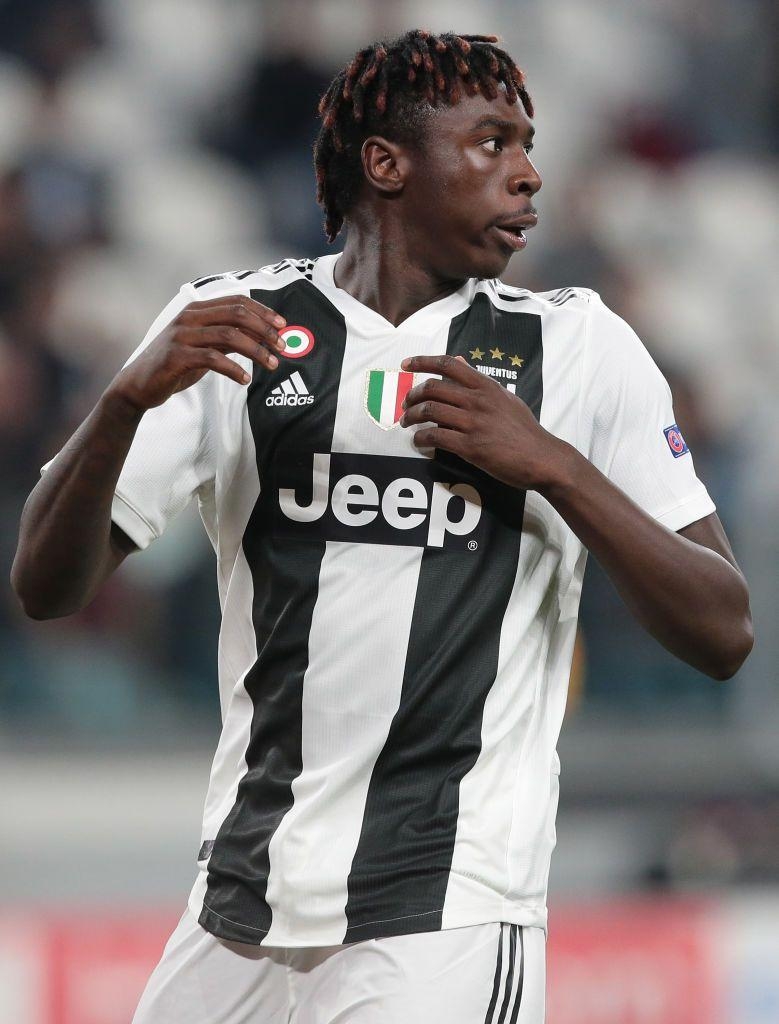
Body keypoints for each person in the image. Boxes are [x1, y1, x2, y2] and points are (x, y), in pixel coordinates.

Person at [11, 29, 753, 1024]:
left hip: (441, 909)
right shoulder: (241, 325)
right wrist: (121, 405)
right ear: (386, 162)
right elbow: (45, 589)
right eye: (491, 143)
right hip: (240, 901)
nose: (528, 174)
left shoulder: (576, 348)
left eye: (527, 143)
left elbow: (722, 630)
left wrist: (551, 467)